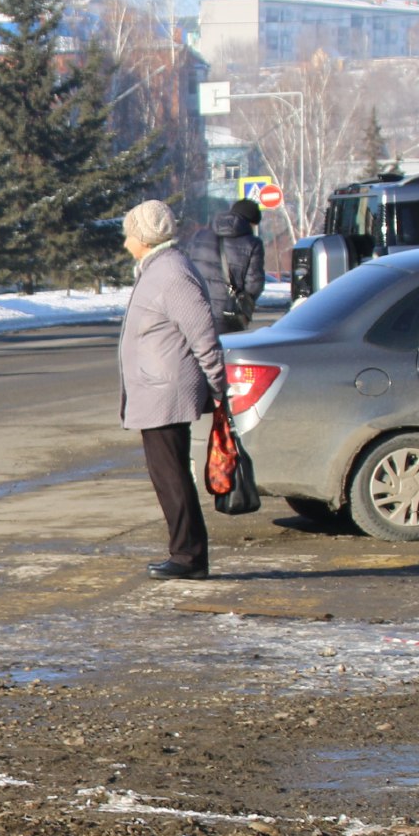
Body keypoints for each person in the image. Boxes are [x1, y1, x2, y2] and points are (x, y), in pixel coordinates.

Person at [119, 199, 225, 582]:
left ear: (144, 237)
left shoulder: (171, 273)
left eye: (130, 232)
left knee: (172, 476)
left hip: (166, 392)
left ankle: (189, 556)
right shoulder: (157, 269)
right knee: (168, 475)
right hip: (156, 390)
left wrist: (217, 386)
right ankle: (185, 553)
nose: (126, 239)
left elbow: (203, 336)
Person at [177, 197, 267, 331]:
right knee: (228, 350)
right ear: (250, 222)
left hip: (196, 309)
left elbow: (185, 270)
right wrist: (244, 303)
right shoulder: (253, 243)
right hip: (228, 315)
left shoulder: (199, 236)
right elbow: (254, 284)